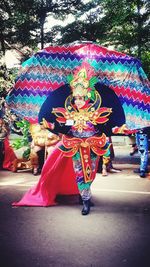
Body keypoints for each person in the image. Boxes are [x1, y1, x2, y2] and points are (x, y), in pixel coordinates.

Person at [12, 63, 125, 215]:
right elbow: (61, 125)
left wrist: (118, 129)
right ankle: (85, 201)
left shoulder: (96, 112)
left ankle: (84, 194)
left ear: (88, 96)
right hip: (75, 145)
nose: (78, 100)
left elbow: (107, 126)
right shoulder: (69, 112)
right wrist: (50, 124)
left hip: (93, 145)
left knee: (90, 173)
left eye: (81, 97)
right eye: (76, 97)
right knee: (79, 172)